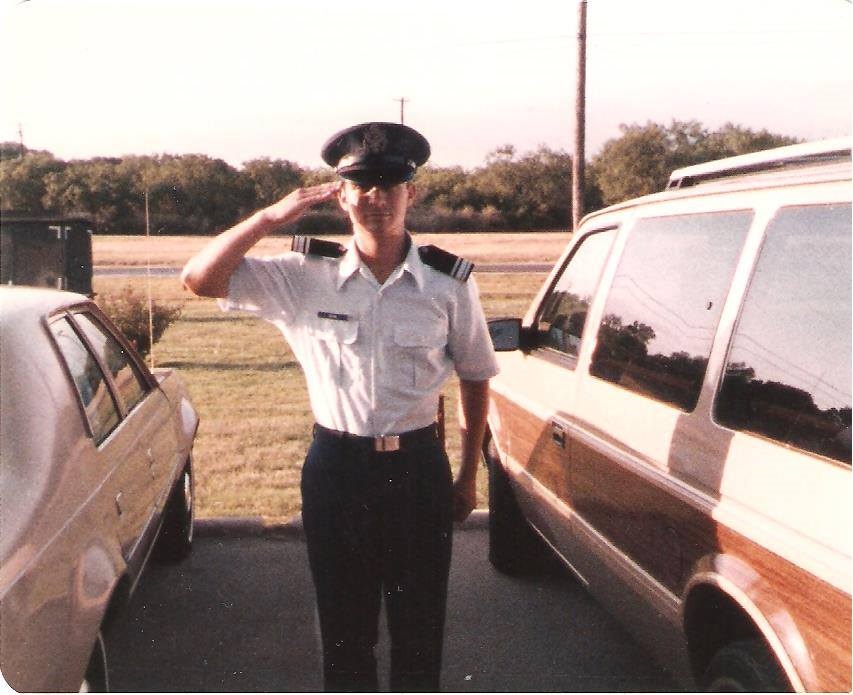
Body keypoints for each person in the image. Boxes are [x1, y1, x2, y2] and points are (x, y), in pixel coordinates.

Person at [181, 121, 499, 692]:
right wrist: (268, 220)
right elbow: (199, 280)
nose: (376, 197)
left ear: (413, 192)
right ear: (341, 193)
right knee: (346, 633)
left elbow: (476, 377)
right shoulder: (305, 277)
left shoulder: (448, 284)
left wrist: (468, 475)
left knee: (420, 630)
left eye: (391, 182)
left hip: (418, 468)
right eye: (362, 184)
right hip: (337, 472)